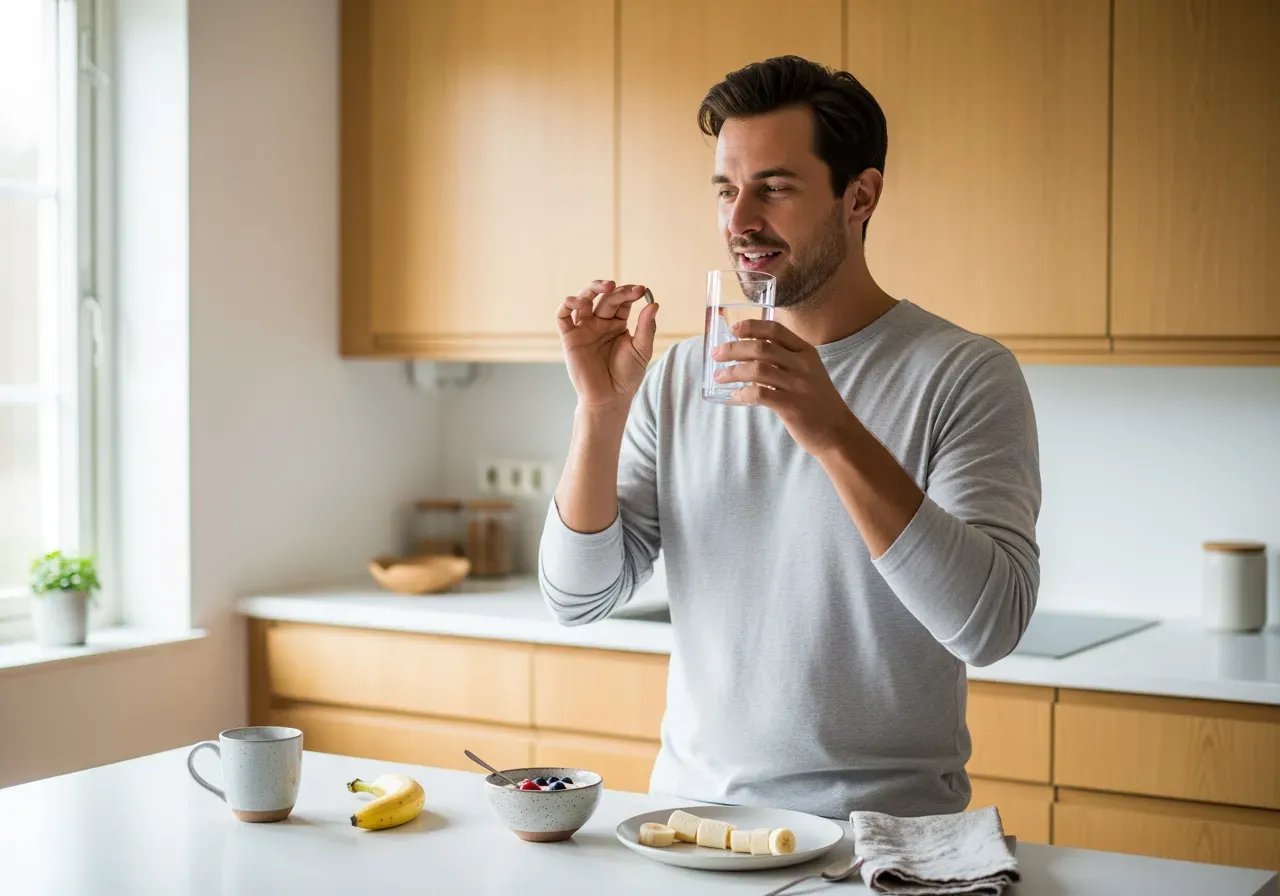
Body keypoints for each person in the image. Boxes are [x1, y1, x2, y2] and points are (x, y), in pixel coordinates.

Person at [538, 55, 1041, 819]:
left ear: (859, 196)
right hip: (695, 828)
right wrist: (599, 413)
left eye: (773, 187)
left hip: (882, 842)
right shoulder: (679, 377)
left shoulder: (964, 375)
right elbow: (576, 598)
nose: (739, 221)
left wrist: (834, 431)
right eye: (726, 189)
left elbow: (990, 626)